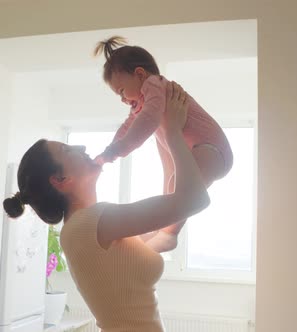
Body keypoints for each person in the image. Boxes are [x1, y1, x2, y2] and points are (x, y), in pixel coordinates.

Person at [3, 83, 209, 332]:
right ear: (60, 180)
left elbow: (166, 237)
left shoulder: (86, 228)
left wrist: (161, 130)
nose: (82, 148)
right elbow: (195, 200)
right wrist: (173, 131)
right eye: (68, 150)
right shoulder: (93, 222)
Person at [93, 36, 233, 252]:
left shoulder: (155, 85)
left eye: (121, 91)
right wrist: (108, 151)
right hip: (199, 150)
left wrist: (119, 149)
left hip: (212, 150)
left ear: (140, 74)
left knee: (179, 188)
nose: (122, 99)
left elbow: (146, 122)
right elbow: (128, 126)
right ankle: (164, 230)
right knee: (171, 190)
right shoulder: (141, 102)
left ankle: (170, 234)